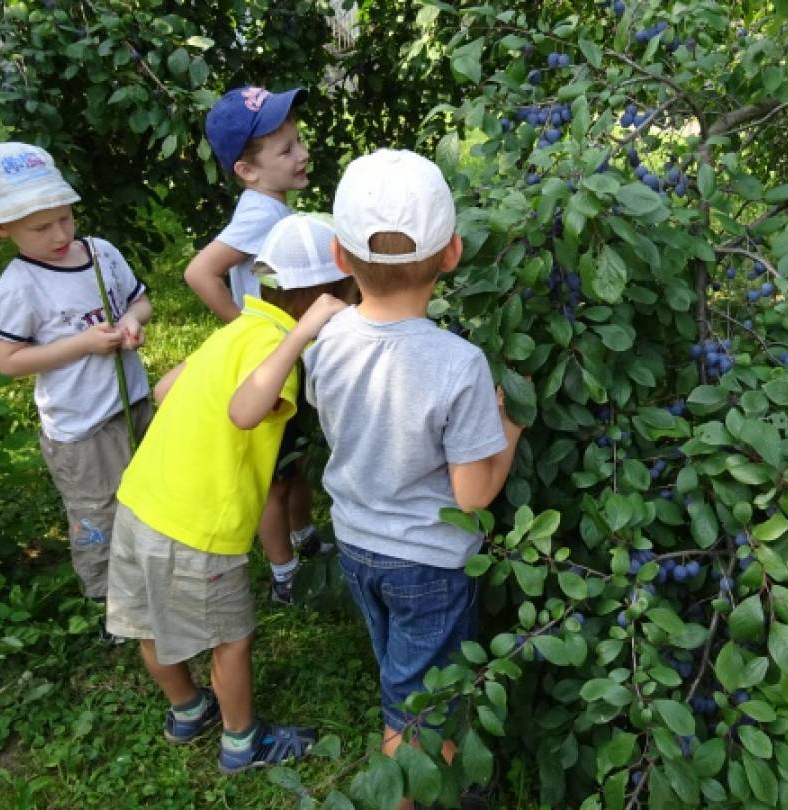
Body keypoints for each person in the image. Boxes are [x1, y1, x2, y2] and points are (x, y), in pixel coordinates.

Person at [302, 149, 524, 808]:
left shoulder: (329, 338)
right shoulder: (458, 364)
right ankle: (419, 794)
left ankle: (431, 777)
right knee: (419, 710)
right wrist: (508, 427)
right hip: (427, 564)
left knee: (404, 676)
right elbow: (471, 496)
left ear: (341, 259)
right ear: (452, 253)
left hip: (358, 546)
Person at [105, 216, 350, 773]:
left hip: (142, 499)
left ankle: (188, 709)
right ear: (326, 299)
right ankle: (243, 742)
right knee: (231, 639)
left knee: (145, 624)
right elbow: (245, 411)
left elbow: (165, 391)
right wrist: (300, 336)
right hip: (200, 526)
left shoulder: (238, 328)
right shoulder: (276, 350)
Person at [0, 141, 153, 616]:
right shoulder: (19, 285)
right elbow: (7, 360)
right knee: (98, 512)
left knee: (149, 491)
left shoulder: (101, 253)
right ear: (0, 227)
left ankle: (153, 574)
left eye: (65, 218)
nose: (59, 233)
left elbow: (140, 300)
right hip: (81, 427)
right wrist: (83, 344)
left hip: (132, 402)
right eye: (40, 226)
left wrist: (132, 322)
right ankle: (109, 601)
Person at [184, 84, 322, 604]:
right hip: (270, 363)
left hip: (287, 357)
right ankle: (284, 577)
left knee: (293, 460)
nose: (302, 152)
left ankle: (303, 535)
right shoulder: (261, 213)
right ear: (247, 171)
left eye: (299, 140)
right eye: (285, 149)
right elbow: (200, 273)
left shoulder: (271, 205)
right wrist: (242, 329)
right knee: (271, 475)